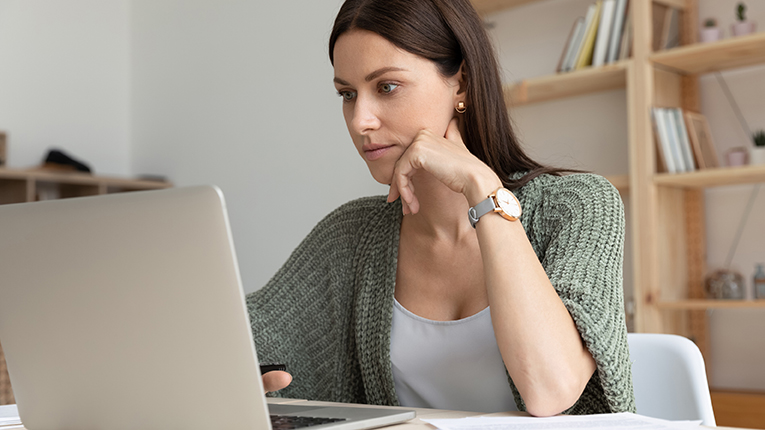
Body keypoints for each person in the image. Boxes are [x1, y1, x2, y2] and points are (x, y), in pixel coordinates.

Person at [247, 0, 635, 417]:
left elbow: (550, 389)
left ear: (461, 84)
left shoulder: (578, 206)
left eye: (386, 87)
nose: (360, 120)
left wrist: (482, 188)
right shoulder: (351, 235)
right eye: (347, 94)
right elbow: (240, 331)